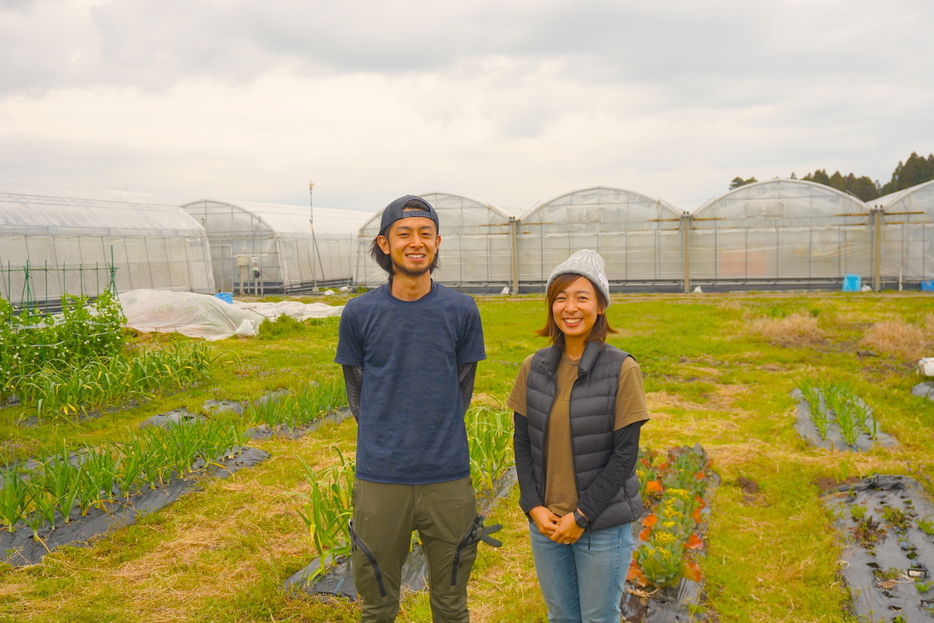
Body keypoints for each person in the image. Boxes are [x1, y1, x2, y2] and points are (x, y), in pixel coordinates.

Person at [335, 195, 487, 623]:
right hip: (381, 478)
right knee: (378, 605)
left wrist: (431, 432)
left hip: (448, 478)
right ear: (385, 244)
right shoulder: (360, 313)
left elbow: (463, 385)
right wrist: (389, 437)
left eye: (425, 233)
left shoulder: (461, 310)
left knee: (452, 606)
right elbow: (357, 391)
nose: (415, 242)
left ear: (437, 242)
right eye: (404, 234)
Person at [508, 249, 649, 623]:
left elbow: (624, 456)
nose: (570, 307)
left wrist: (582, 515)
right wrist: (533, 505)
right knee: (561, 617)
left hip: (601, 524)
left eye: (581, 297)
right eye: (560, 297)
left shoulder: (622, 368)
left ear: (601, 306)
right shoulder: (533, 367)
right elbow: (523, 443)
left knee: (599, 618)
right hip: (547, 523)